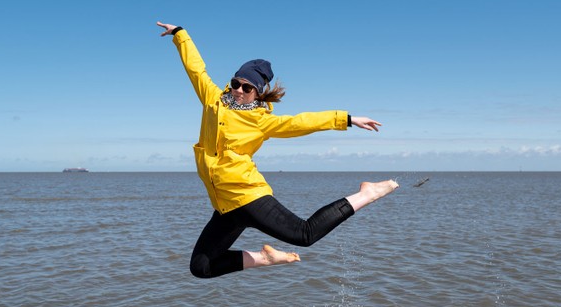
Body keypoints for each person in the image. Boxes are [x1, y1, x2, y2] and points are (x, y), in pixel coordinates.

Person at [157, 21, 399, 278]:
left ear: (257, 93)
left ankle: (368, 193)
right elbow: (196, 69)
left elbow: (302, 122)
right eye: (236, 83)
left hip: (249, 197)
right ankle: (265, 257)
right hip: (225, 206)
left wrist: (347, 119)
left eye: (247, 87)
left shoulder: (261, 121)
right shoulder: (213, 100)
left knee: (305, 234)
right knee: (200, 267)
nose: (239, 90)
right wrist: (180, 34)